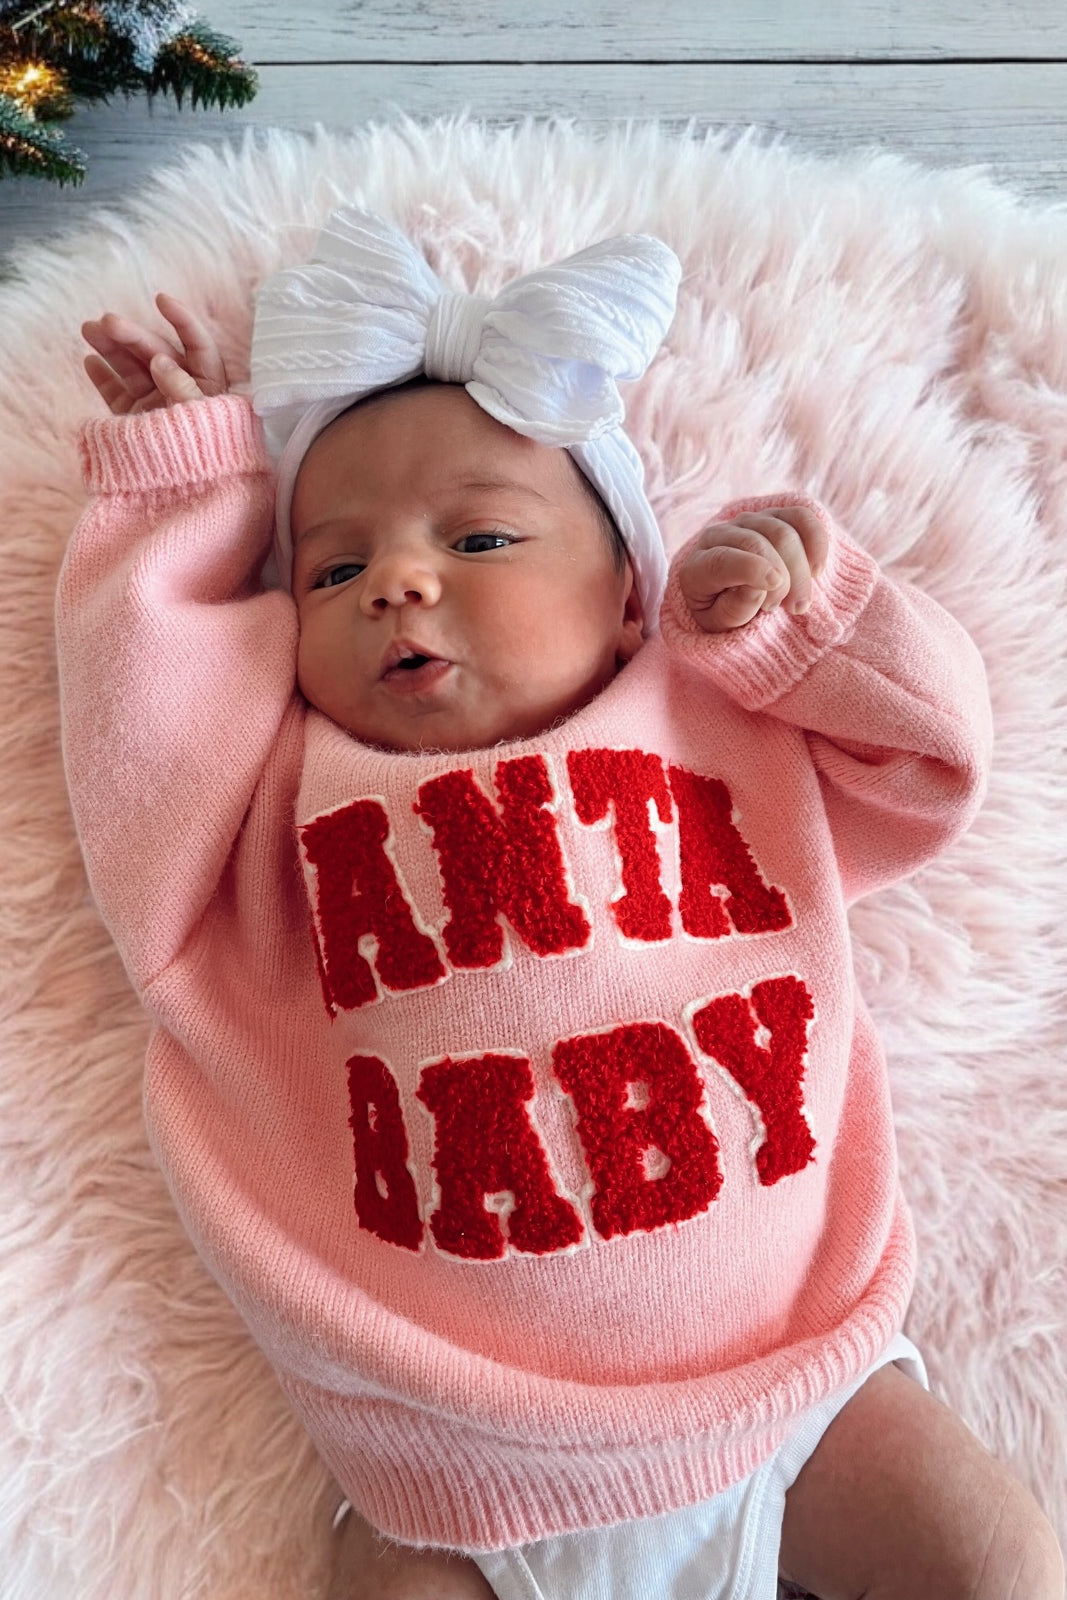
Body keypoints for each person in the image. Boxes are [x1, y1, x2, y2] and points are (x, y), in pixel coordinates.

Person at [62, 209, 1063, 1600]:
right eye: (336, 569)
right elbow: (142, 738)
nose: (400, 580)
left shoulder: (712, 712)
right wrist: (189, 496)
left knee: (1003, 1565)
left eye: (480, 536)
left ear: (626, 595)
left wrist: (806, 620)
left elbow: (932, 759)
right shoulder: (273, 802)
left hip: (792, 1397)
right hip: (453, 1475)